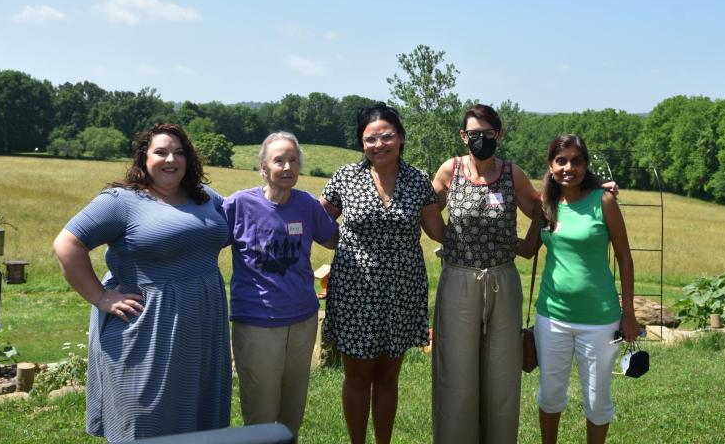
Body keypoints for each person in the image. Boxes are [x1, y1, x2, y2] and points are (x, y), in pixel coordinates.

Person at [53, 123, 232, 443]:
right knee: (145, 418)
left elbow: (245, 222)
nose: (171, 160)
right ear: (143, 158)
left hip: (202, 329)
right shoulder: (121, 201)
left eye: (179, 153)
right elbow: (67, 245)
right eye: (161, 152)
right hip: (148, 330)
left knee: (199, 418)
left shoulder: (205, 198)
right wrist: (101, 297)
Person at [319, 103, 445, 444]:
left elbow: (438, 230)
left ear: (401, 138)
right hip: (354, 291)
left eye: (387, 136)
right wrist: (337, 242)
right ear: (362, 143)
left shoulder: (418, 180)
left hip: (402, 290)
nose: (379, 144)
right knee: (358, 376)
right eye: (370, 139)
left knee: (389, 375)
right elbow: (318, 220)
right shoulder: (346, 177)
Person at [429, 103, 545, 444]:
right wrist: (447, 239)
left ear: (500, 134)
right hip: (459, 278)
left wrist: (526, 246)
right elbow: (427, 209)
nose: (481, 139)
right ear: (464, 136)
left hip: (503, 279)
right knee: (457, 372)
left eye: (488, 133)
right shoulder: (451, 170)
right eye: (474, 134)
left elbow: (543, 209)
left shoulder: (513, 173)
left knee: (502, 372)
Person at [222, 131, 339, 439]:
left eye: (293, 160)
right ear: (263, 166)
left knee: (292, 408)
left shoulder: (307, 205)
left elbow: (333, 239)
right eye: (279, 161)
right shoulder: (238, 205)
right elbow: (205, 244)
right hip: (257, 322)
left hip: (302, 319)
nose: (287, 167)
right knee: (261, 409)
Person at [528, 134, 638, 444]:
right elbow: (526, 249)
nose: (568, 167)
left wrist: (627, 314)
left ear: (586, 165)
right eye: (561, 161)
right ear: (550, 165)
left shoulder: (602, 201)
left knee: (597, 398)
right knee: (550, 393)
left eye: (576, 160)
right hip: (552, 317)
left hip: (600, 321)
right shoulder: (546, 204)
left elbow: (625, 258)